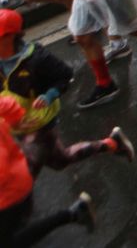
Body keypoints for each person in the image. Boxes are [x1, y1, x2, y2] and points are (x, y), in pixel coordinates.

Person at [0, 7, 135, 170]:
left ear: (11, 36)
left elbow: (64, 75)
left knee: (25, 173)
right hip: (12, 120)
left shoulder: (37, 58)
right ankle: (113, 143)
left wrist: (49, 95)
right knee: (60, 160)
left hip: (37, 122)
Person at [0, 94, 95, 248]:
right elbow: (5, 103)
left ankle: (73, 214)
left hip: (10, 191)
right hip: (17, 175)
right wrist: (16, 118)